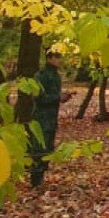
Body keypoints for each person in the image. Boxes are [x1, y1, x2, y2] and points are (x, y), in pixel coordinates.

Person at [28, 48, 73, 188]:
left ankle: (40, 178)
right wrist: (58, 98)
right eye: (56, 57)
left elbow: (53, 98)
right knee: (39, 149)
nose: (59, 60)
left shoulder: (55, 76)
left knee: (48, 149)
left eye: (59, 56)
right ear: (49, 58)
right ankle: (36, 180)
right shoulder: (41, 76)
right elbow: (39, 98)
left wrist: (62, 98)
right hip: (41, 119)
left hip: (51, 118)